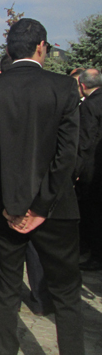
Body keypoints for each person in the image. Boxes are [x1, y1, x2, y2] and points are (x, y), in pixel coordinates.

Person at [0, 18, 83, 355]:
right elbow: (67, 154)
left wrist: (3, 203)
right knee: (66, 295)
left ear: (8, 50)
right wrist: (41, 205)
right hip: (56, 208)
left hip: (8, 208)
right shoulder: (63, 86)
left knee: (5, 292)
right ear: (41, 47)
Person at [74, 68, 102, 271]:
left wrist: (77, 169)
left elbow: (85, 140)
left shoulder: (89, 105)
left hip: (92, 169)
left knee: (92, 213)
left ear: (82, 86)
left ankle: (95, 255)